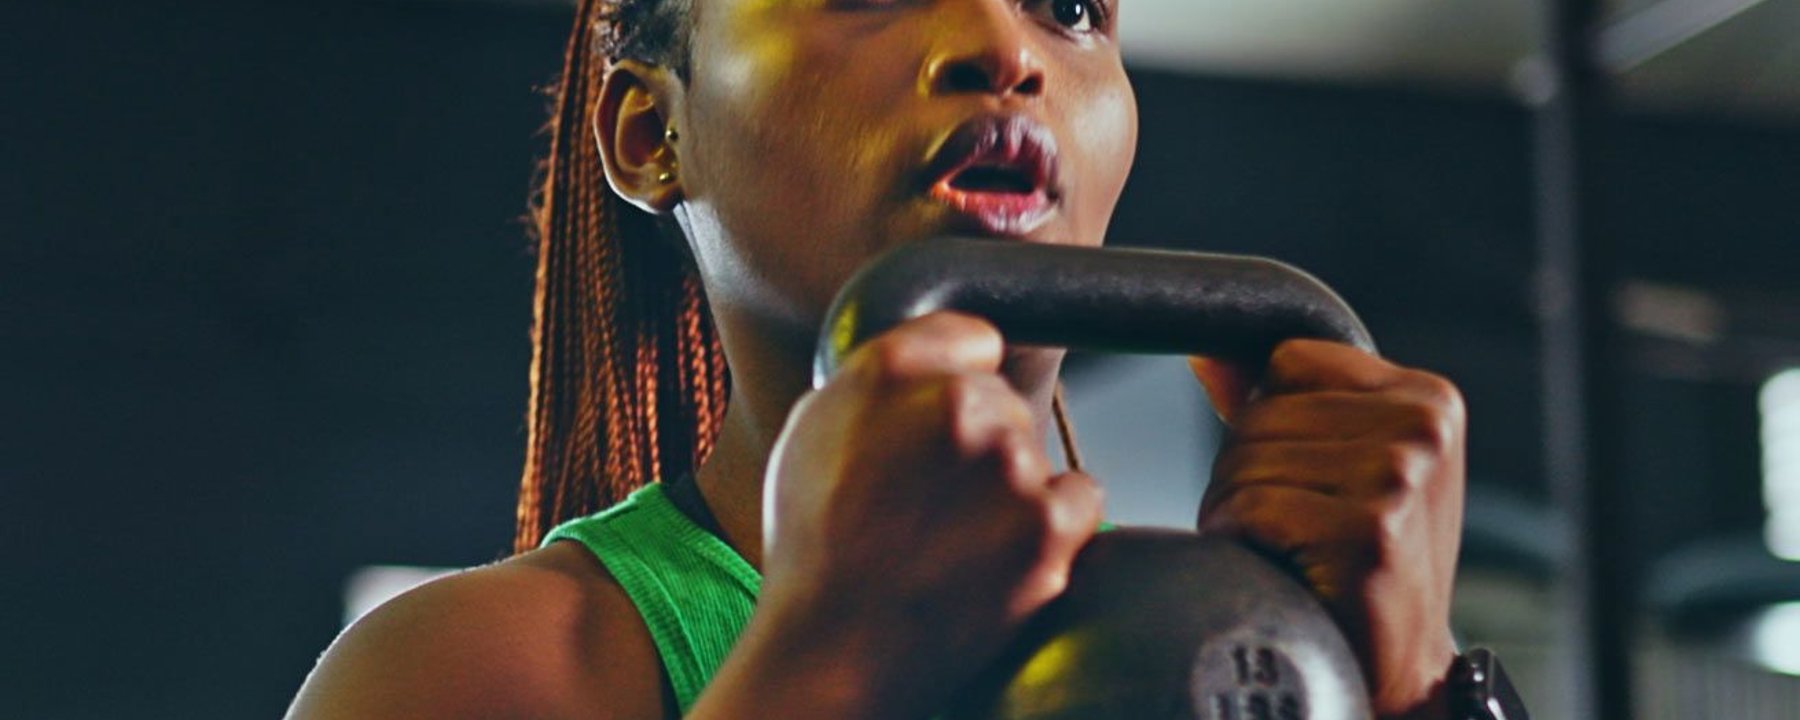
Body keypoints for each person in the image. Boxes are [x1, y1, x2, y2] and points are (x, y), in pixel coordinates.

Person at [288, 0, 1466, 717]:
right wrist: (831, 664)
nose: (1005, 51)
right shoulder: (480, 670)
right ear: (654, 135)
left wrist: (1419, 688)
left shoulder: (1252, 652)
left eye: (1067, 4)